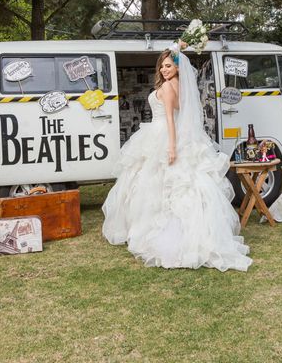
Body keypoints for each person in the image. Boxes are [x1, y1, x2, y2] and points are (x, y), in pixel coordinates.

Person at [102, 45, 252, 271]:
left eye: (168, 66)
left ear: (178, 68)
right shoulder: (176, 85)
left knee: (158, 183)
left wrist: (172, 146)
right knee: (154, 182)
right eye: (162, 66)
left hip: (163, 134)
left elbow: (172, 119)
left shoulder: (169, 87)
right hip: (158, 132)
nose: (164, 69)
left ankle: (163, 233)